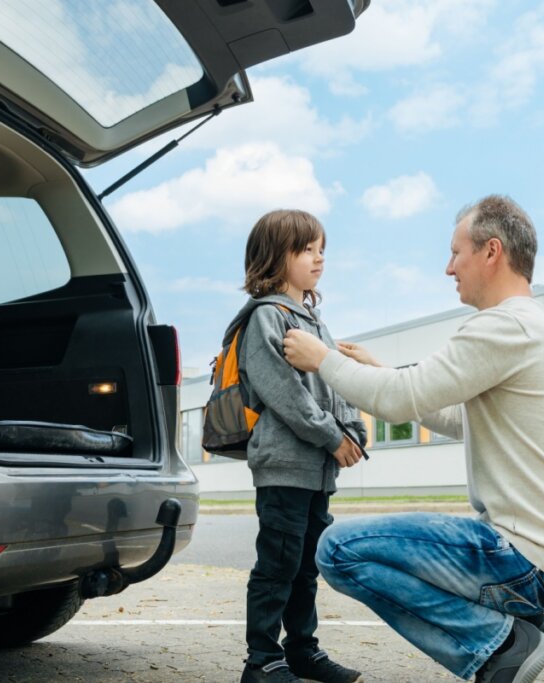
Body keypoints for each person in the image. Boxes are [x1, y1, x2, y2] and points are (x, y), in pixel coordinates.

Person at [282, 195, 544, 683]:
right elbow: (457, 418)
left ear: (492, 252)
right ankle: (522, 623)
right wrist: (382, 371)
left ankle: (499, 642)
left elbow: (400, 399)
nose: (449, 268)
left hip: (524, 558)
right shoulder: (536, 329)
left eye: (456, 252)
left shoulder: (503, 326)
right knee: (357, 547)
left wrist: (322, 358)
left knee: (338, 549)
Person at [230, 209, 367, 683]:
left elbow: (334, 383)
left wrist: (352, 432)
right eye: (306, 249)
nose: (318, 258)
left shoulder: (316, 323)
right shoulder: (266, 317)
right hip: (284, 465)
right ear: (275, 256)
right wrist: (332, 437)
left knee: (306, 566)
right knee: (278, 564)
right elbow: (285, 394)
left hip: (317, 468)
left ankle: (302, 650)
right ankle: (262, 661)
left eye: (321, 249)